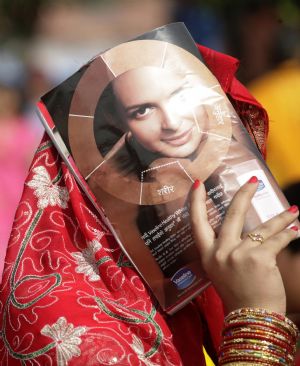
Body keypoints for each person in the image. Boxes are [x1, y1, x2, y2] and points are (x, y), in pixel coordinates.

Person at [0, 40, 298, 366]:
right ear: (121, 136)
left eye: (181, 96)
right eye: (143, 110)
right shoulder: (76, 330)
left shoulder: (210, 286)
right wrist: (257, 320)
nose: (173, 122)